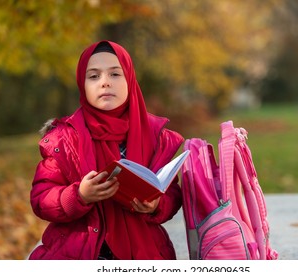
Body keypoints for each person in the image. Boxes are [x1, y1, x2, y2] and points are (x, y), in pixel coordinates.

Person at [29, 40, 184, 260]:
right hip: (80, 252)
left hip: (142, 253)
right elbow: (41, 198)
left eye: (115, 74)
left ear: (130, 78)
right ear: (82, 84)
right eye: (94, 76)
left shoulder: (154, 136)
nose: (105, 83)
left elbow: (171, 193)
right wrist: (79, 196)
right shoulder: (64, 138)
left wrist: (156, 205)